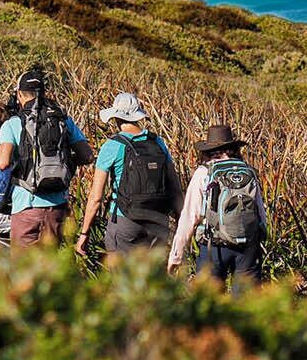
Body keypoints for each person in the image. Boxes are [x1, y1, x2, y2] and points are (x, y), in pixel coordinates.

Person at [0, 69, 93, 248]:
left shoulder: (13, 123)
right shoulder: (63, 120)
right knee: (50, 268)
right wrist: (66, 162)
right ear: (44, 93)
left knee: (24, 271)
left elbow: (2, 162)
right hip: (57, 207)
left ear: (19, 95)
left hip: (26, 206)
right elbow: (87, 156)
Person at [74, 92, 179, 261]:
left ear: (116, 118)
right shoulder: (157, 142)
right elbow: (175, 188)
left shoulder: (113, 146)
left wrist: (85, 233)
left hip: (126, 220)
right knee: (153, 282)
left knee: (122, 282)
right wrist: (181, 224)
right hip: (158, 220)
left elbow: (95, 197)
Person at [167, 123, 268, 289]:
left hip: (213, 246)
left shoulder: (203, 173)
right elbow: (260, 213)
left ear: (207, 150)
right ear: (233, 148)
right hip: (248, 246)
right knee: (246, 307)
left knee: (210, 306)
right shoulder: (247, 171)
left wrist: (176, 256)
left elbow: (189, 217)